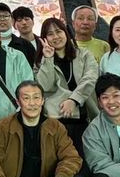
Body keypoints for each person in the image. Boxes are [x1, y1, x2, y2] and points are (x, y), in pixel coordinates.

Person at [34, 17, 98, 151]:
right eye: (50, 34)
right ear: (45, 38)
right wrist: (48, 59)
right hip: (56, 121)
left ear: (66, 33)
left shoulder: (84, 55)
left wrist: (74, 100)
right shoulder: (41, 62)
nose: (56, 37)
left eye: (59, 31)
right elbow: (45, 87)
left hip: (85, 119)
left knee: (86, 159)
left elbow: (90, 78)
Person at [0, 2, 36, 68]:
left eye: (6, 16)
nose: (2, 19)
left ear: (12, 20)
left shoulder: (26, 45)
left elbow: (34, 71)